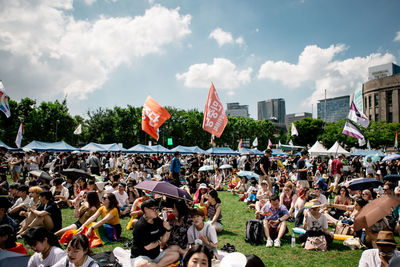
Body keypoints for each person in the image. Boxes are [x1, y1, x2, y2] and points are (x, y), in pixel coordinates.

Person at [131, 198, 179, 266]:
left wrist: (168, 230)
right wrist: (160, 242)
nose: (156, 211)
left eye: (157, 209)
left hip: (156, 255)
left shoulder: (157, 220)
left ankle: (158, 265)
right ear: (145, 209)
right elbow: (148, 247)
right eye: (154, 209)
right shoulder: (140, 225)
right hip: (141, 256)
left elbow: (164, 240)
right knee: (144, 264)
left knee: (176, 254)